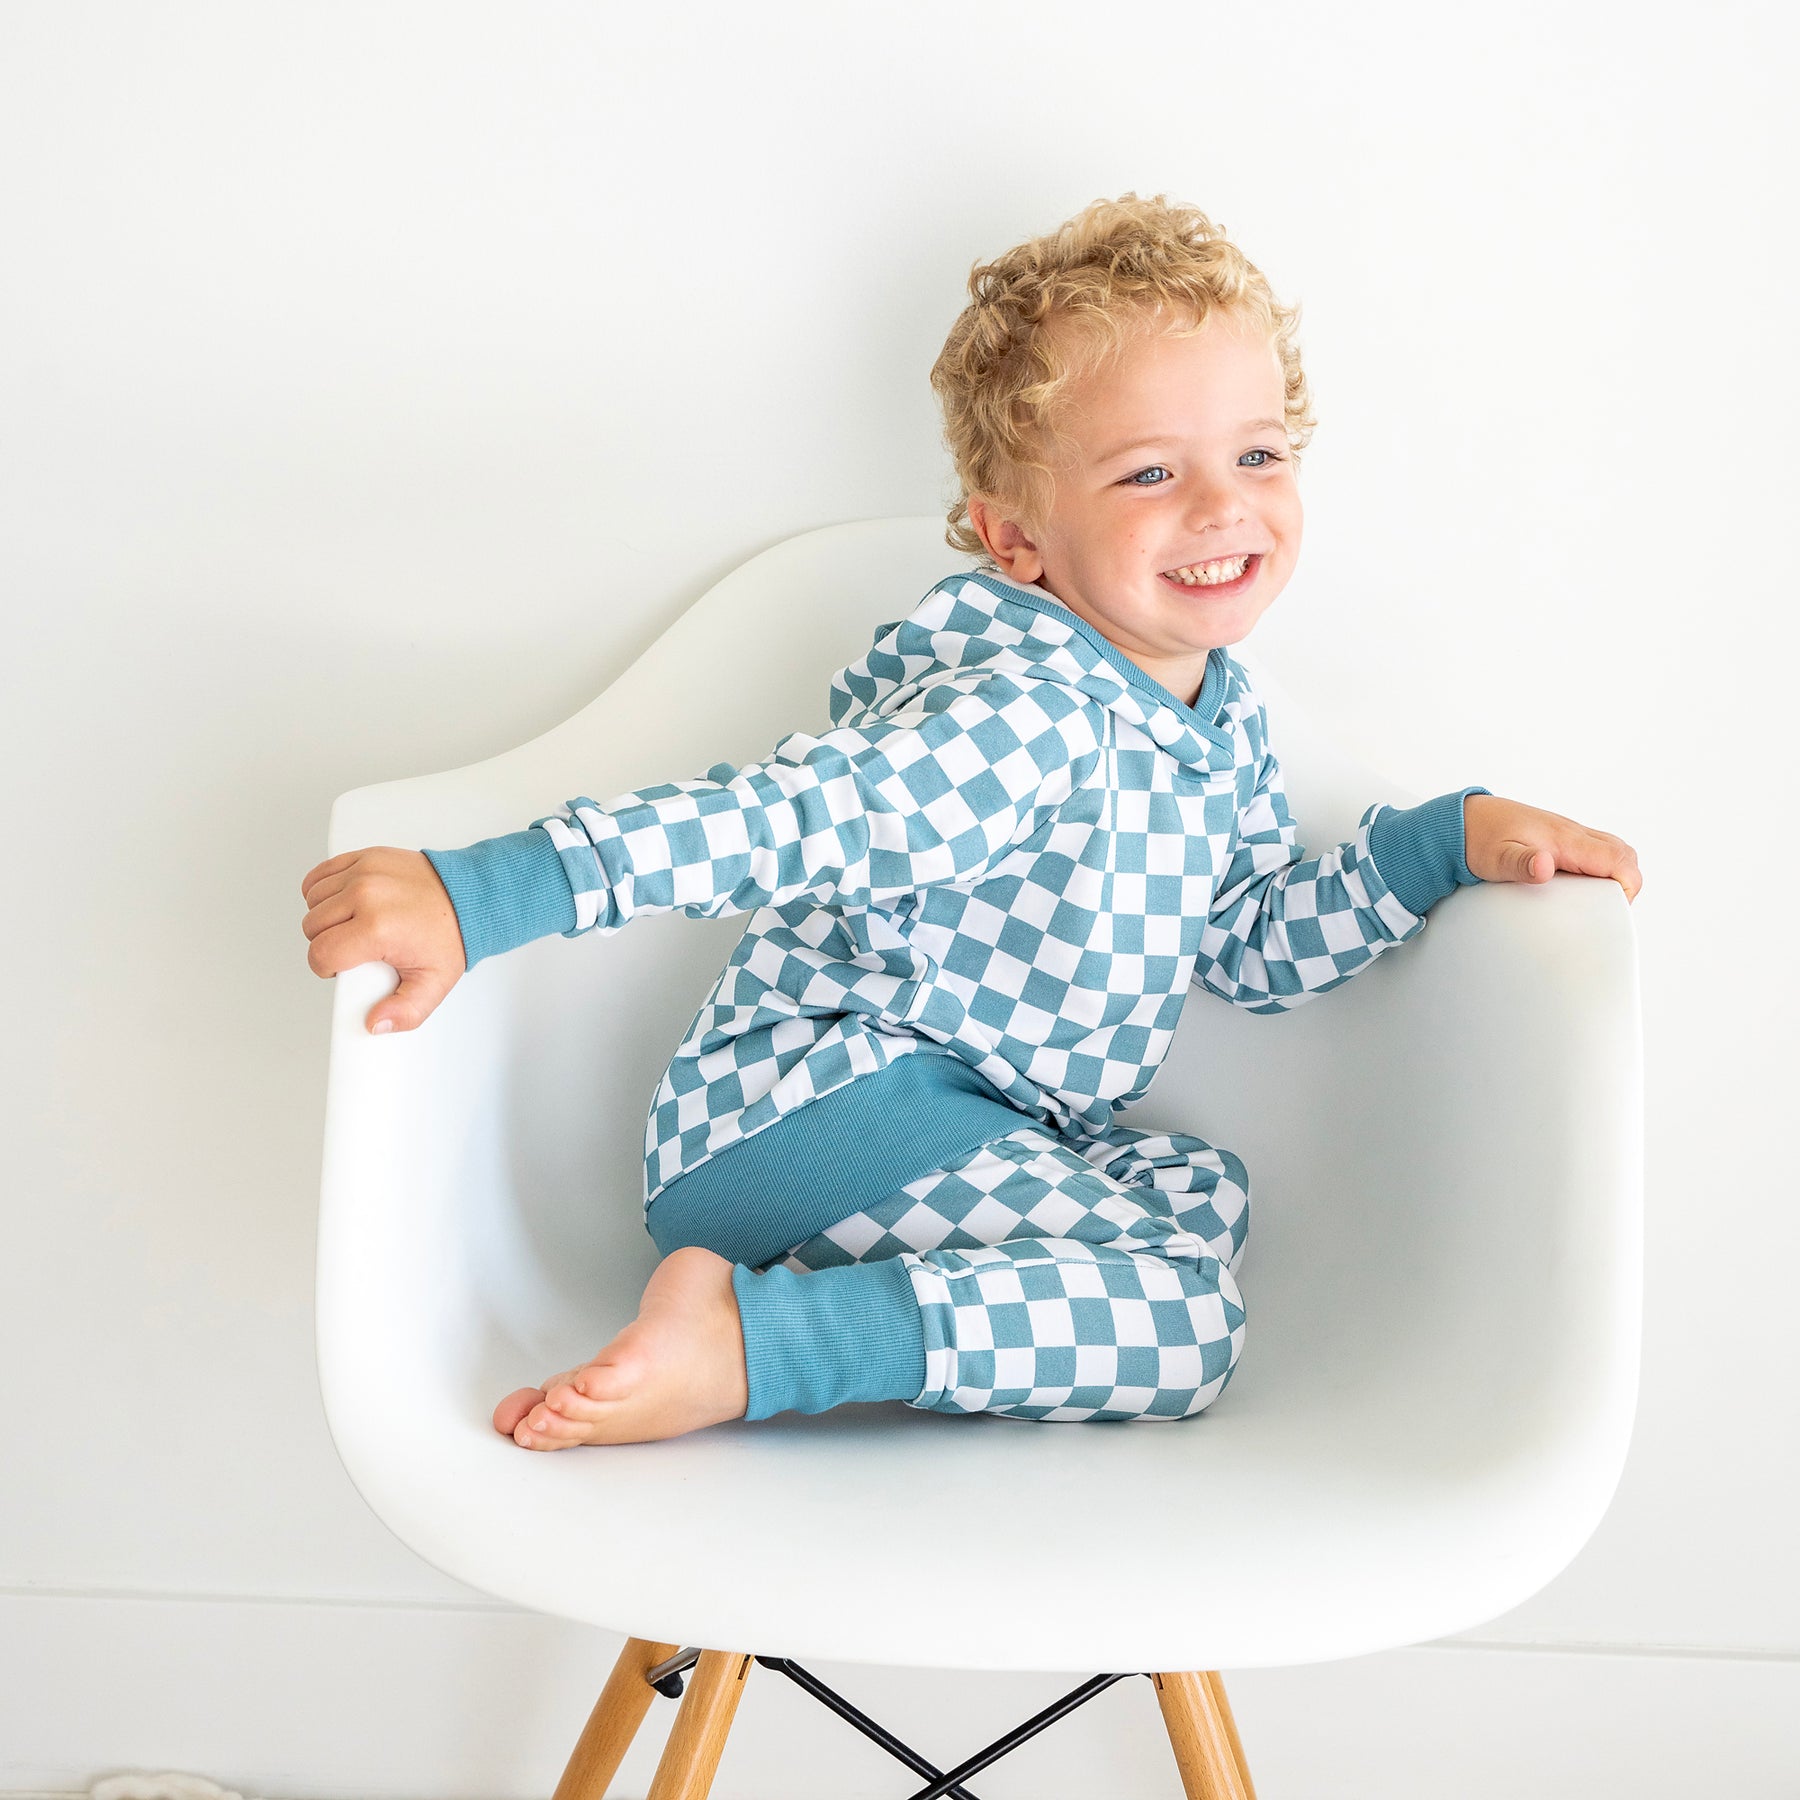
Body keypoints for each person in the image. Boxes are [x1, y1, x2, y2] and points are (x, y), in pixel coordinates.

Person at [299, 193, 1642, 1451]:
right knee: (1186, 1325)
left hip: (937, 1112)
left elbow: (1245, 945)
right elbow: (777, 821)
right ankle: (753, 1348)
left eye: (1257, 454)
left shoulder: (1213, 715)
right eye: (1148, 475)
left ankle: (768, 1310)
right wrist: (488, 893)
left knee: (1205, 1195)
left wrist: (1441, 846)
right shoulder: (1026, 713)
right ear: (1016, 541)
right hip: (811, 1116)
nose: (1223, 504)